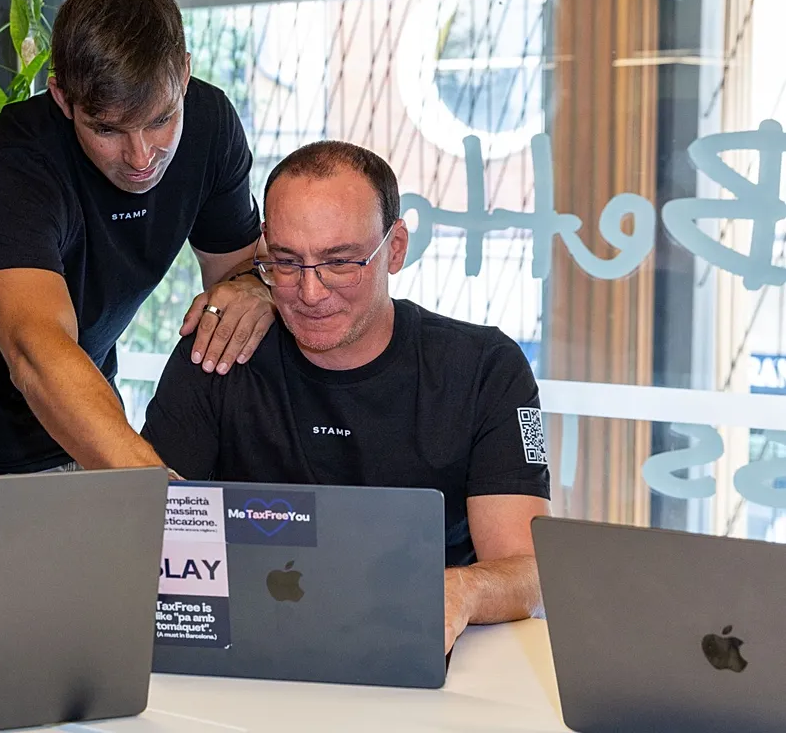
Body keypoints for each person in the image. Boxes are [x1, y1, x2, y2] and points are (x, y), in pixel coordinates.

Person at [141, 141, 550, 653]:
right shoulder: (218, 351)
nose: (311, 293)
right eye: (287, 262)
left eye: (339, 263)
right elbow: (144, 535)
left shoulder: (484, 368)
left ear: (394, 248)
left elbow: (529, 572)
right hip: (248, 650)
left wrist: (461, 590)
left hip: (424, 649)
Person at [0, 0, 275, 475]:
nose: (141, 158)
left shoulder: (209, 125)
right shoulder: (11, 166)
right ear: (62, 97)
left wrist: (253, 288)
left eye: (160, 120)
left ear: (184, 73)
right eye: (107, 129)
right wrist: (151, 485)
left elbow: (236, 272)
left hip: (89, 411)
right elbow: (34, 348)